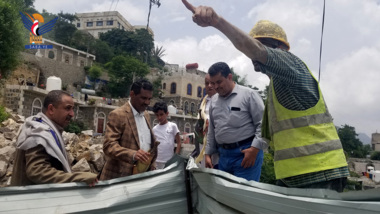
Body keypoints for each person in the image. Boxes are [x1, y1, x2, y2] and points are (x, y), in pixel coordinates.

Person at [182, 0, 349, 192]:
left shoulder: (290, 65)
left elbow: (256, 50)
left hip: (319, 171)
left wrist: (217, 21)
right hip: (296, 173)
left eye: (260, 46)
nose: (253, 56)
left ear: (279, 47)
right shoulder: (278, 83)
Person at [11, 90, 98, 186]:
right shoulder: (39, 133)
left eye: (72, 109)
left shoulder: (48, 129)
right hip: (31, 198)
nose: (72, 114)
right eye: (68, 108)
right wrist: (78, 177)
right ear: (51, 109)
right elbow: (37, 171)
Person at [205, 62, 265, 181]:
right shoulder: (214, 101)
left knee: (244, 194)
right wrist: (208, 153)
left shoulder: (249, 95)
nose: (215, 87)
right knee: (225, 195)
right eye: (212, 83)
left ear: (230, 77)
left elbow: (263, 125)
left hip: (245, 155)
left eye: (219, 82)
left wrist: (254, 150)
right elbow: (212, 130)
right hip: (224, 156)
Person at [100, 79, 157, 180]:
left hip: (140, 178)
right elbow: (109, 146)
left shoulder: (147, 116)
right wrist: (133, 154)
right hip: (119, 178)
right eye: (143, 98)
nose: (147, 102)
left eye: (149, 99)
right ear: (132, 94)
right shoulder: (118, 115)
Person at [193, 74, 218, 167]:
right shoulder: (203, 101)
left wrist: (211, 126)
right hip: (202, 142)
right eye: (207, 83)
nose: (209, 86)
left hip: (217, 144)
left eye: (212, 83)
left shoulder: (222, 100)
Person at [152, 101, 181, 169]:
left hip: (169, 161)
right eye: (157, 115)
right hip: (157, 162)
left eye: (161, 114)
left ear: (167, 113)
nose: (159, 117)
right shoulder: (154, 129)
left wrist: (175, 156)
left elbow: (179, 142)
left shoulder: (173, 126)